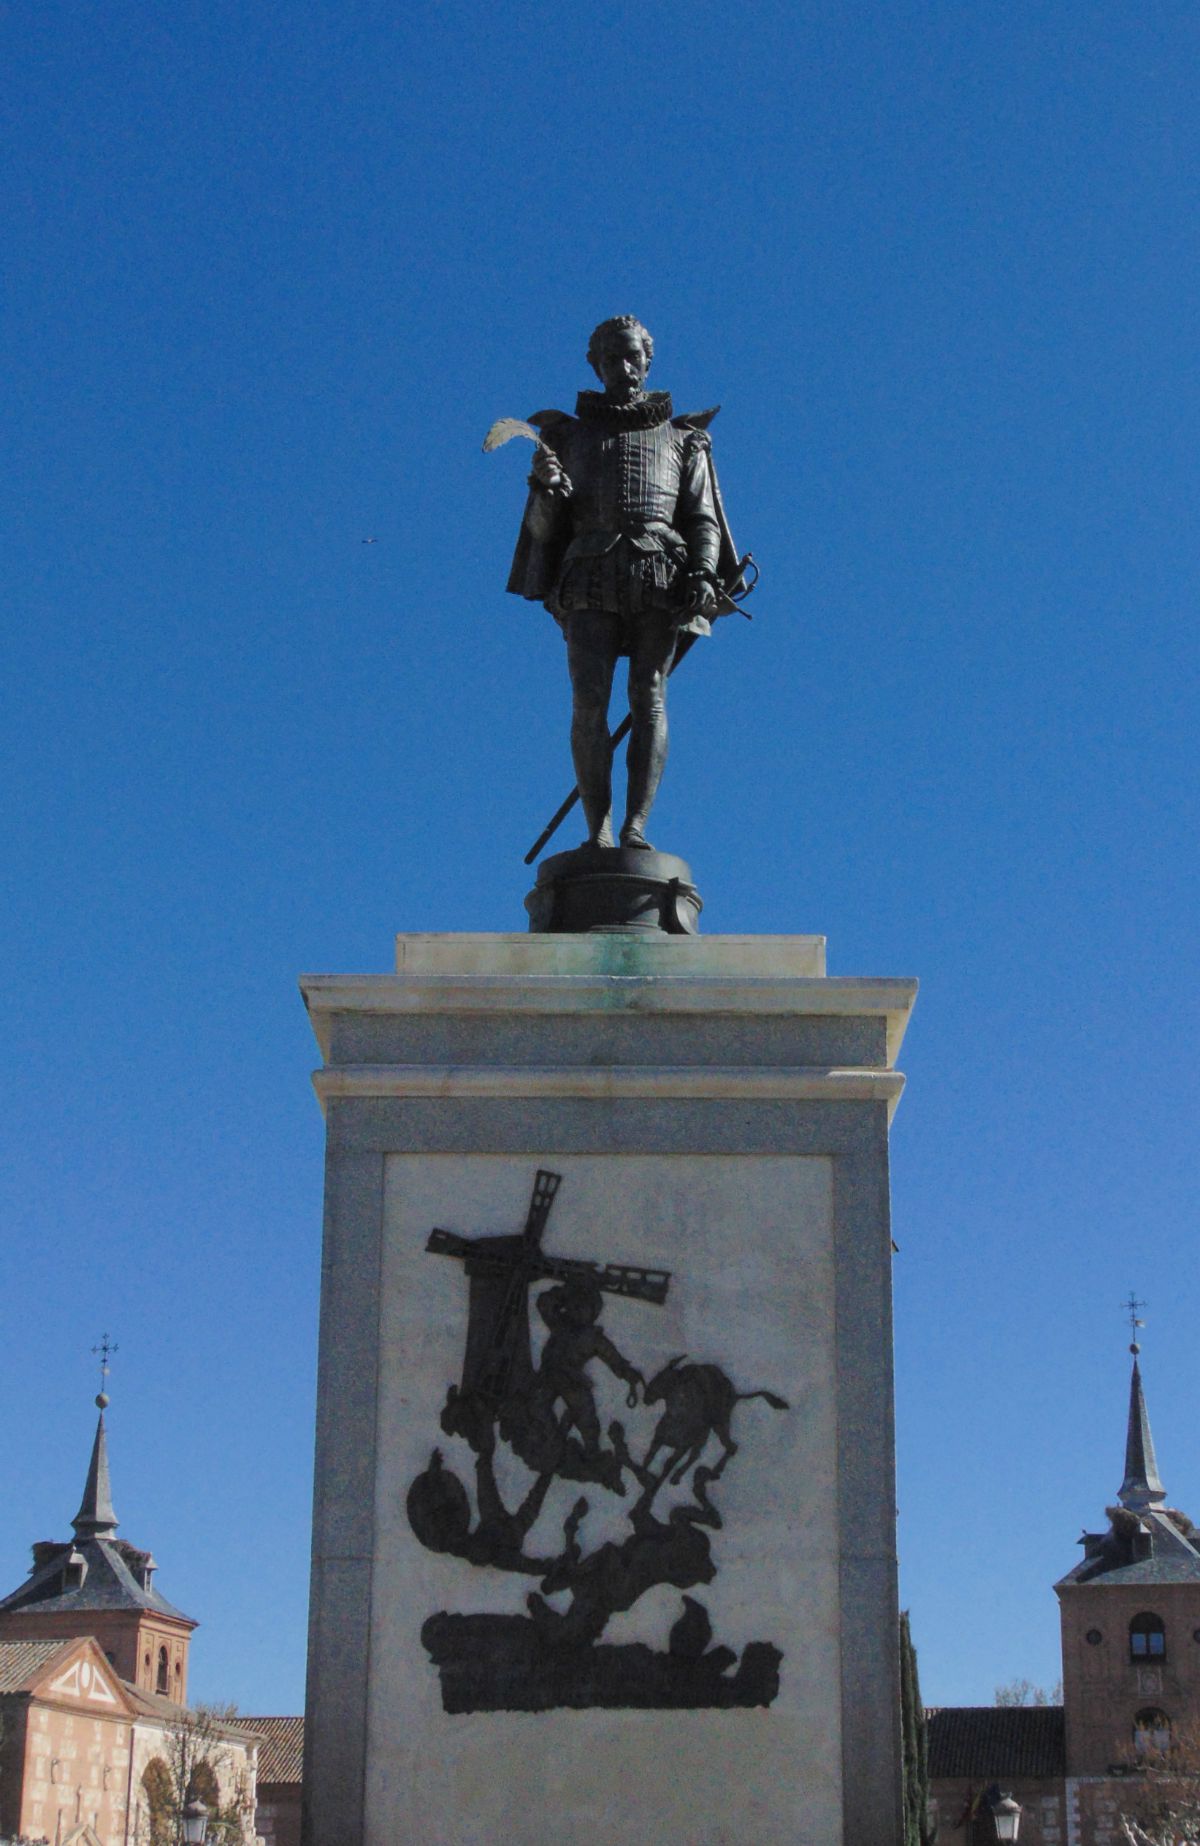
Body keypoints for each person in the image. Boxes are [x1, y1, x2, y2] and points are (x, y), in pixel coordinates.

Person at [507, 316, 732, 850]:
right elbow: (542, 531)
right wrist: (544, 490)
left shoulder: (684, 438)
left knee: (648, 696)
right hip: (588, 574)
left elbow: (701, 518)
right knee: (590, 702)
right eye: (612, 359)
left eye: (633, 357)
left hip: (660, 574)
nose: (624, 368)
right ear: (596, 365)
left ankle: (635, 826)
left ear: (648, 359)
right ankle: (598, 830)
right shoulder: (566, 437)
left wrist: (703, 570)